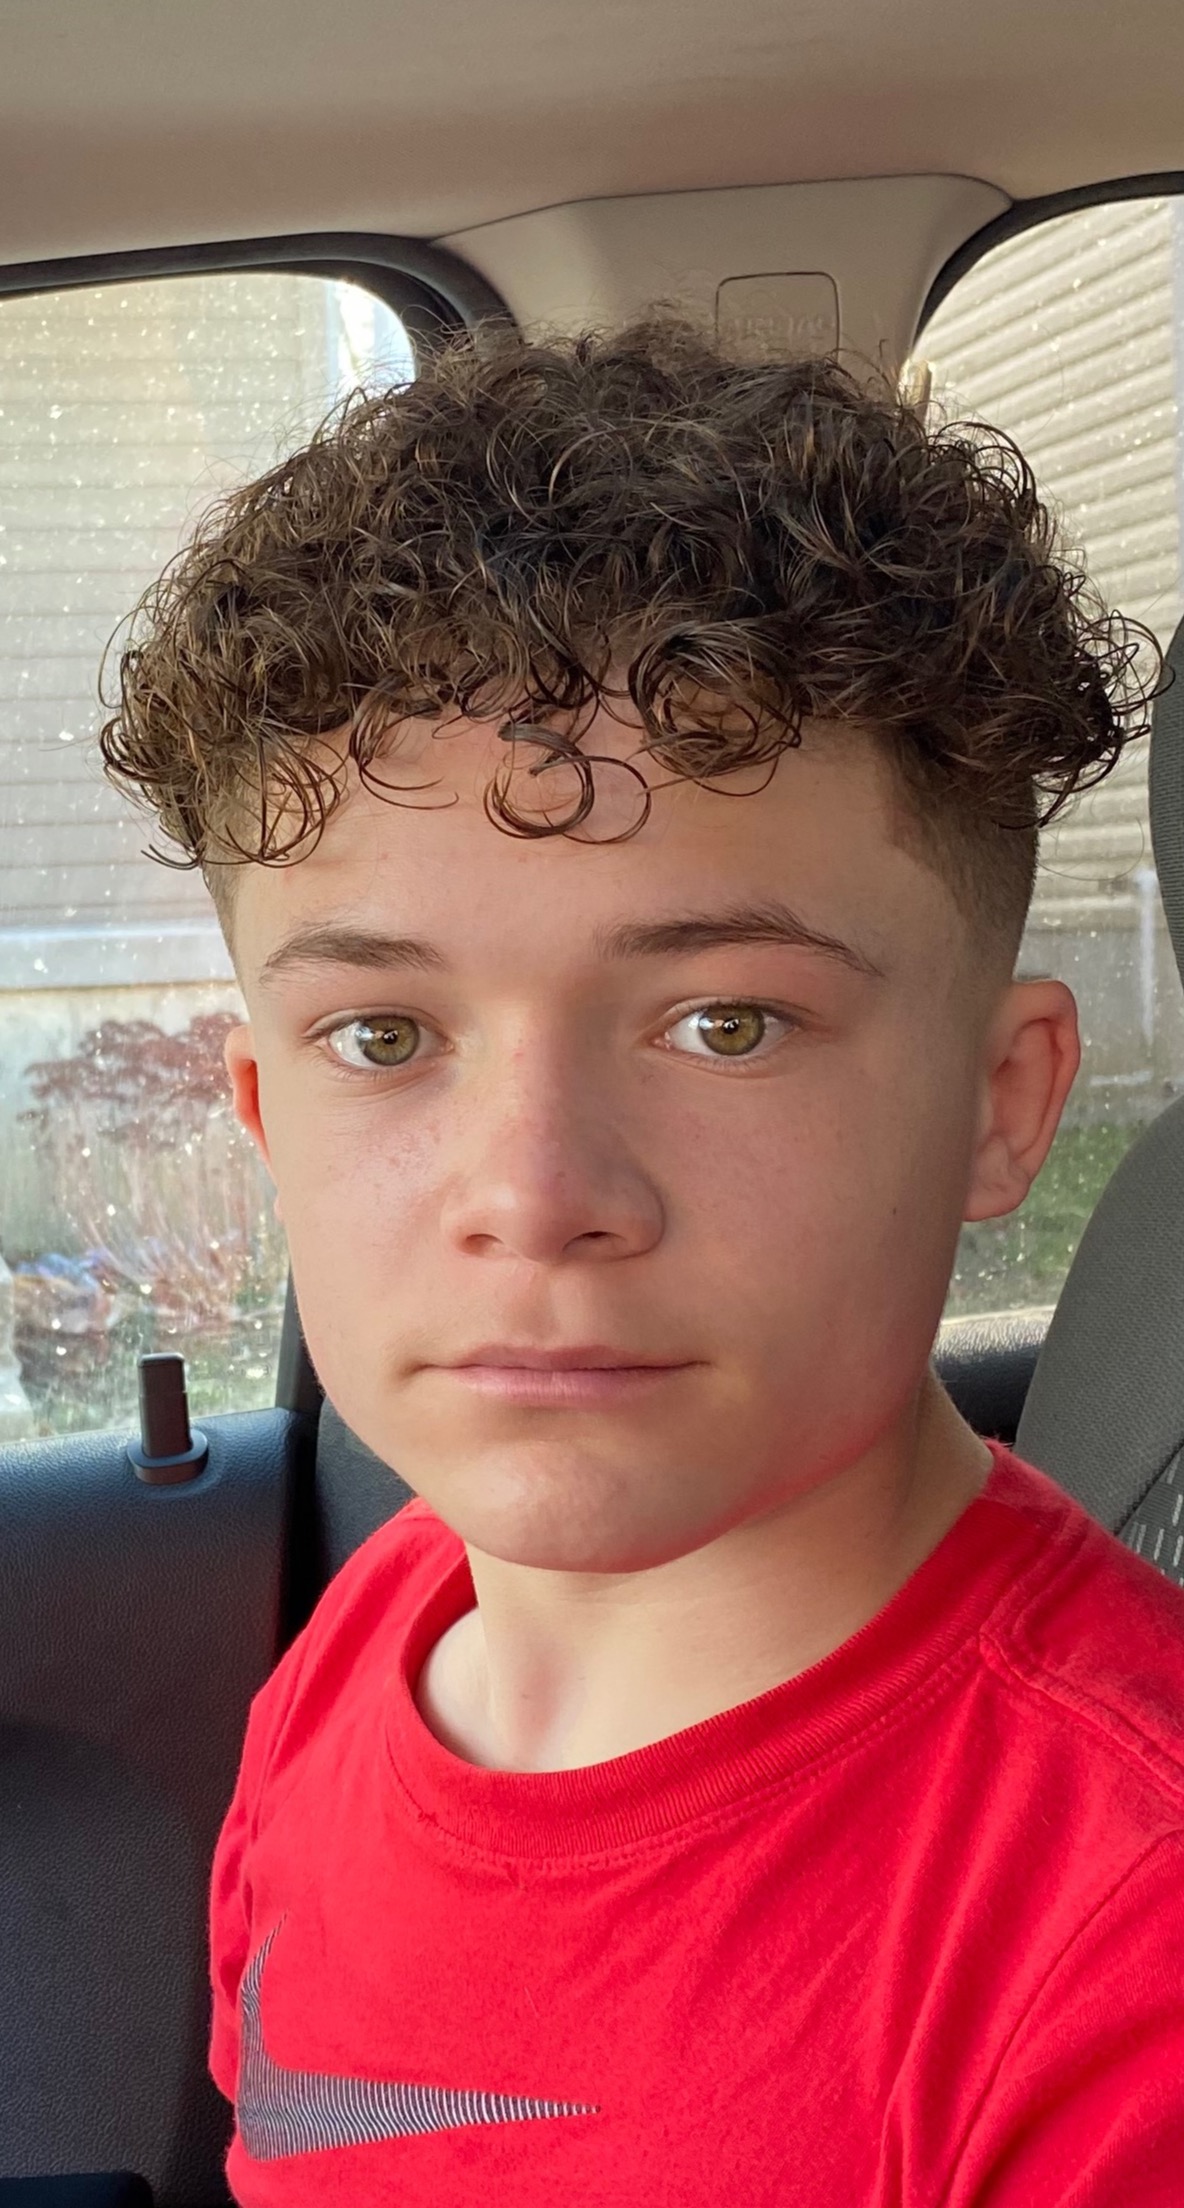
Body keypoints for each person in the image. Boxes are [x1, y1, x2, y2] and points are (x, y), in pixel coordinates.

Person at [102, 323, 1184, 2205]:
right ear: (266, 1116)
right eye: (382, 1036)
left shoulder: (1122, 1941)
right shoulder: (355, 1656)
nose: (536, 1195)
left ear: (1000, 1104)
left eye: (727, 1025)